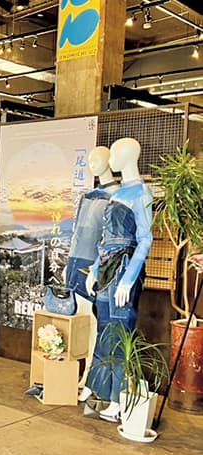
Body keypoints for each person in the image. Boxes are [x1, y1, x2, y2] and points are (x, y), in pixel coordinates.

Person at [84, 138, 153, 421]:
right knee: (105, 330)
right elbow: (106, 238)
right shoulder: (119, 192)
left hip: (124, 267)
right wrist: (95, 270)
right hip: (107, 266)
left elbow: (145, 239)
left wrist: (129, 278)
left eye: (114, 153)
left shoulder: (141, 194)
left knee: (120, 331)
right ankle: (100, 391)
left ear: (129, 156)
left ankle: (118, 397)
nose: (110, 158)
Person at [61, 146, 121, 401]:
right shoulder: (88, 196)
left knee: (94, 322)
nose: (92, 164)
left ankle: (90, 376)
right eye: (89, 160)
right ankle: (78, 372)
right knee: (79, 320)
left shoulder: (117, 196)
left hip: (96, 265)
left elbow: (110, 238)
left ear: (110, 161)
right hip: (77, 261)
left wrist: (97, 267)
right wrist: (68, 262)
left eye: (97, 159)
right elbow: (78, 233)